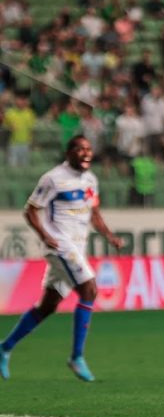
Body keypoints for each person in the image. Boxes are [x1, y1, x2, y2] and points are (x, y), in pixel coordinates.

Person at [0, 135, 124, 382]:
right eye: (80, 149)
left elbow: (94, 213)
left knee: (48, 306)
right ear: (69, 153)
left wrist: (110, 236)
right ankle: (77, 356)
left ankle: (4, 348)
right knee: (89, 290)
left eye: (89, 149)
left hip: (77, 247)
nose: (86, 153)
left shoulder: (91, 180)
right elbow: (31, 210)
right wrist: (44, 235)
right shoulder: (54, 178)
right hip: (60, 245)